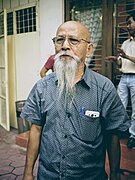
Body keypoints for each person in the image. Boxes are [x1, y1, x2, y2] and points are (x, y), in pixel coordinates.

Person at [21, 21, 130, 180]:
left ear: (89, 48)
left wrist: (114, 173)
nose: (65, 45)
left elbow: (111, 135)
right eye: (60, 40)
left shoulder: (104, 89)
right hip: (48, 176)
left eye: (73, 40)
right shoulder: (42, 87)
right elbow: (36, 130)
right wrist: (27, 173)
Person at [106, 12, 135, 148]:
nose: (128, 26)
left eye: (130, 23)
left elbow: (128, 58)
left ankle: (133, 135)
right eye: (128, 23)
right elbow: (121, 63)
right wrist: (116, 61)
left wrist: (127, 56)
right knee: (119, 106)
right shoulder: (125, 42)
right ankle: (120, 131)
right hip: (124, 78)